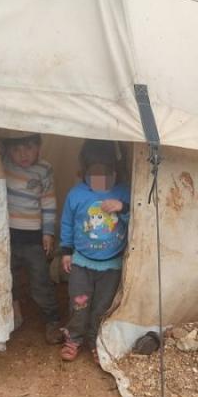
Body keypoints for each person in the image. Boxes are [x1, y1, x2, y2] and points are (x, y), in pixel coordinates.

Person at [59, 140, 130, 362]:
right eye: (94, 174)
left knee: (102, 306)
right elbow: (67, 223)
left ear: (115, 171)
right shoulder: (76, 194)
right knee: (79, 302)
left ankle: (96, 341)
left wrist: (122, 207)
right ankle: (74, 338)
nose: (100, 179)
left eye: (106, 173)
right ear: (84, 172)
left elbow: (139, 220)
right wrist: (66, 251)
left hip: (111, 264)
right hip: (82, 261)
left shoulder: (124, 193)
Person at [3, 134, 62, 343]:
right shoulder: (3, 164)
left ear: (39, 146)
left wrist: (48, 233)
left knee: (40, 281)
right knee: (7, 277)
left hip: (33, 237)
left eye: (28, 148)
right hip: (7, 235)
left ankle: (52, 319)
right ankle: (13, 313)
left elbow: (48, 202)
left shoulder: (44, 169)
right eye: (16, 149)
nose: (23, 154)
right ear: (8, 150)